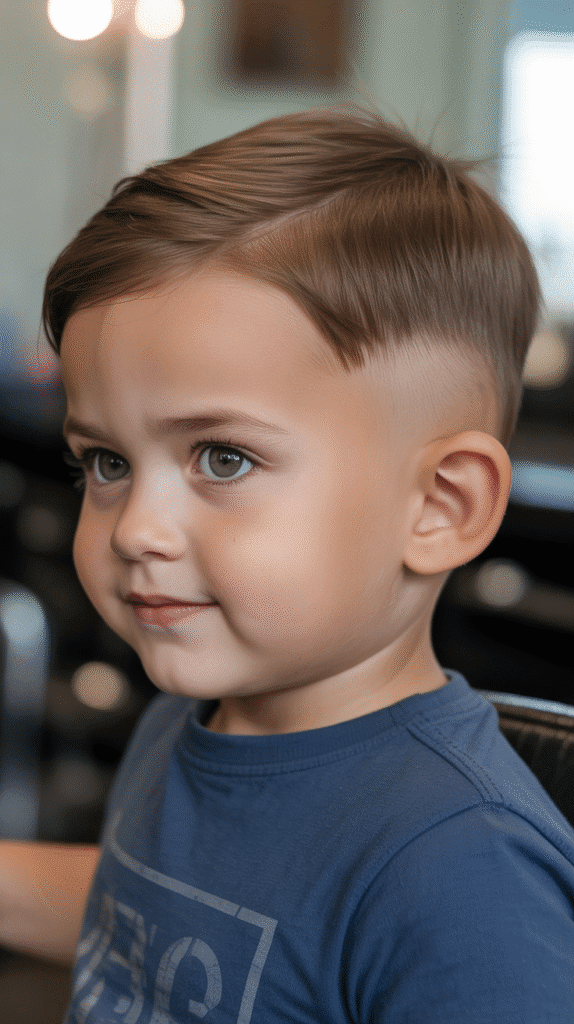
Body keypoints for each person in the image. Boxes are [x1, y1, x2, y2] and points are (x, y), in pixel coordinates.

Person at [1, 105, 573, 1023]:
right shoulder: (187, 724)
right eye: (107, 463)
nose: (136, 528)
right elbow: (182, 926)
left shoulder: (461, 866)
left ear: (440, 507)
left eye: (223, 458)